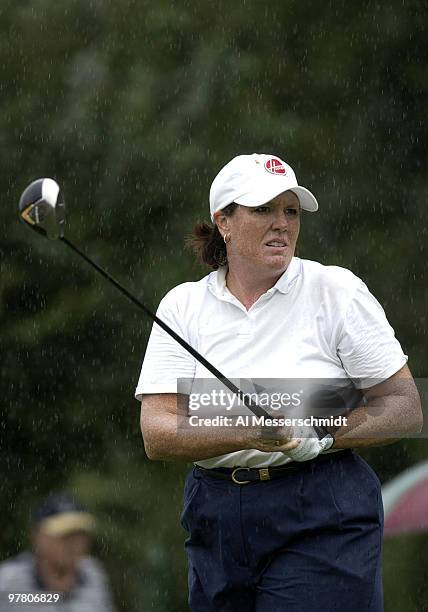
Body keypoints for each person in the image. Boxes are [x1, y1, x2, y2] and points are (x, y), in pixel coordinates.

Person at [136, 153, 422, 611]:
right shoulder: (182, 307)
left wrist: (323, 434)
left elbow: (405, 406)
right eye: (263, 209)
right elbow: (157, 431)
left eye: (290, 211)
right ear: (223, 222)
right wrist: (251, 434)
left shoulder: (336, 291)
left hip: (322, 510)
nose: (282, 224)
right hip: (217, 515)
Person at [0, 493, 116, 612]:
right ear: (37, 536)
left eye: (79, 533)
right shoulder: (9, 582)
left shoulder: (93, 575)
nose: (73, 542)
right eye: (63, 534)